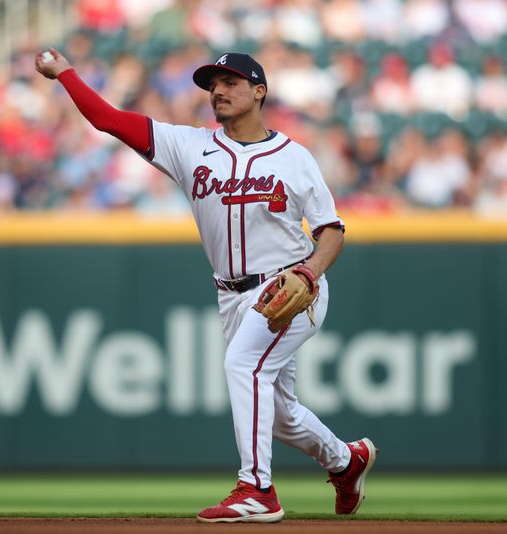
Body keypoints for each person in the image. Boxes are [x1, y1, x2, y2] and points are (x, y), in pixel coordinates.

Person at [35, 48, 377, 524]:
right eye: (213, 83)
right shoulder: (187, 146)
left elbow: (331, 230)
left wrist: (310, 272)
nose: (218, 90)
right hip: (232, 296)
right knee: (277, 413)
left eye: (231, 81)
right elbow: (108, 119)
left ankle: (257, 489)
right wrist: (65, 74)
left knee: (242, 365)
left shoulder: (294, 157)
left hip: (292, 287)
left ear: (259, 91)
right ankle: (346, 460)